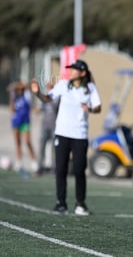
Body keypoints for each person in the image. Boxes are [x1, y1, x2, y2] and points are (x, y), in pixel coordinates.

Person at [30, 60, 102, 215]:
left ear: (82, 73)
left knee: (79, 169)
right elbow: (48, 99)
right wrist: (37, 94)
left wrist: (88, 108)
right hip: (62, 133)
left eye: (74, 69)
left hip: (80, 135)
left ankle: (80, 204)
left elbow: (98, 107)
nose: (70, 71)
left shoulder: (90, 88)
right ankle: (60, 203)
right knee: (60, 169)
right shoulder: (63, 85)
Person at [6, 81, 38, 177]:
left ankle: (34, 163)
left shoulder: (26, 94)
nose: (18, 89)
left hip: (25, 121)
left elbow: (26, 85)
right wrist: (12, 93)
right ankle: (19, 162)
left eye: (19, 87)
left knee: (27, 142)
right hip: (16, 122)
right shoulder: (14, 97)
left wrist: (17, 85)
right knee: (18, 143)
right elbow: (12, 110)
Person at [36, 82, 58, 175]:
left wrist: (50, 98)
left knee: (54, 149)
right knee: (41, 147)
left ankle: (54, 168)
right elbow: (38, 109)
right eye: (48, 87)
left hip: (54, 127)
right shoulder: (44, 98)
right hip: (45, 126)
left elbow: (56, 107)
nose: (49, 89)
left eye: (51, 87)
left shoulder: (57, 97)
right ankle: (40, 167)